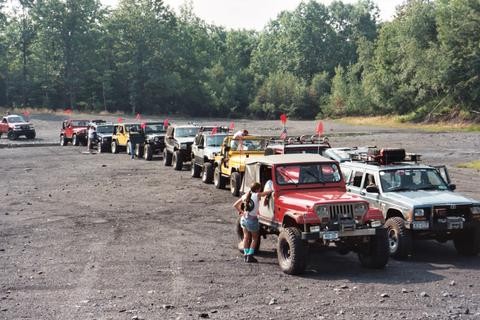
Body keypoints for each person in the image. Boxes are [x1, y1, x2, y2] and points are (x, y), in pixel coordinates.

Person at [233, 182, 272, 263]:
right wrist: (272, 190)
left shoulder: (245, 196)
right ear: (258, 189)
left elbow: (235, 205)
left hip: (244, 219)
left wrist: (241, 212)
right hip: (252, 220)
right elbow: (267, 193)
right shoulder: (257, 195)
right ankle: (250, 256)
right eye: (260, 189)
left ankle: (246, 255)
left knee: (246, 238)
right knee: (254, 238)